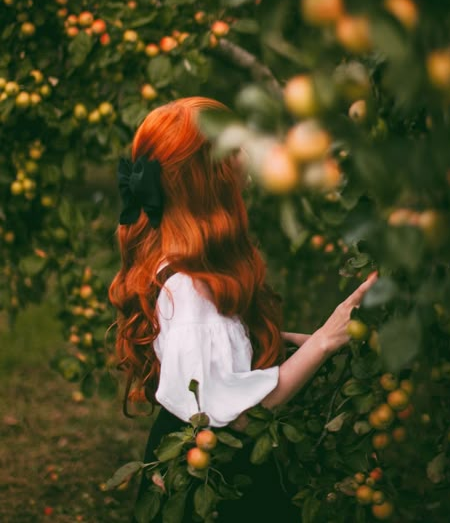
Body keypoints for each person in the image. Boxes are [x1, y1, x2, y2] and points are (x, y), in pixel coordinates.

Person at [108, 96, 378, 522]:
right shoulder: (193, 291)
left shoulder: (181, 263)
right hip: (217, 473)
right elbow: (238, 414)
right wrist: (326, 339)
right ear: (207, 176)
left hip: (196, 456)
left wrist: (281, 343)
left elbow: (212, 359)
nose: (246, 153)